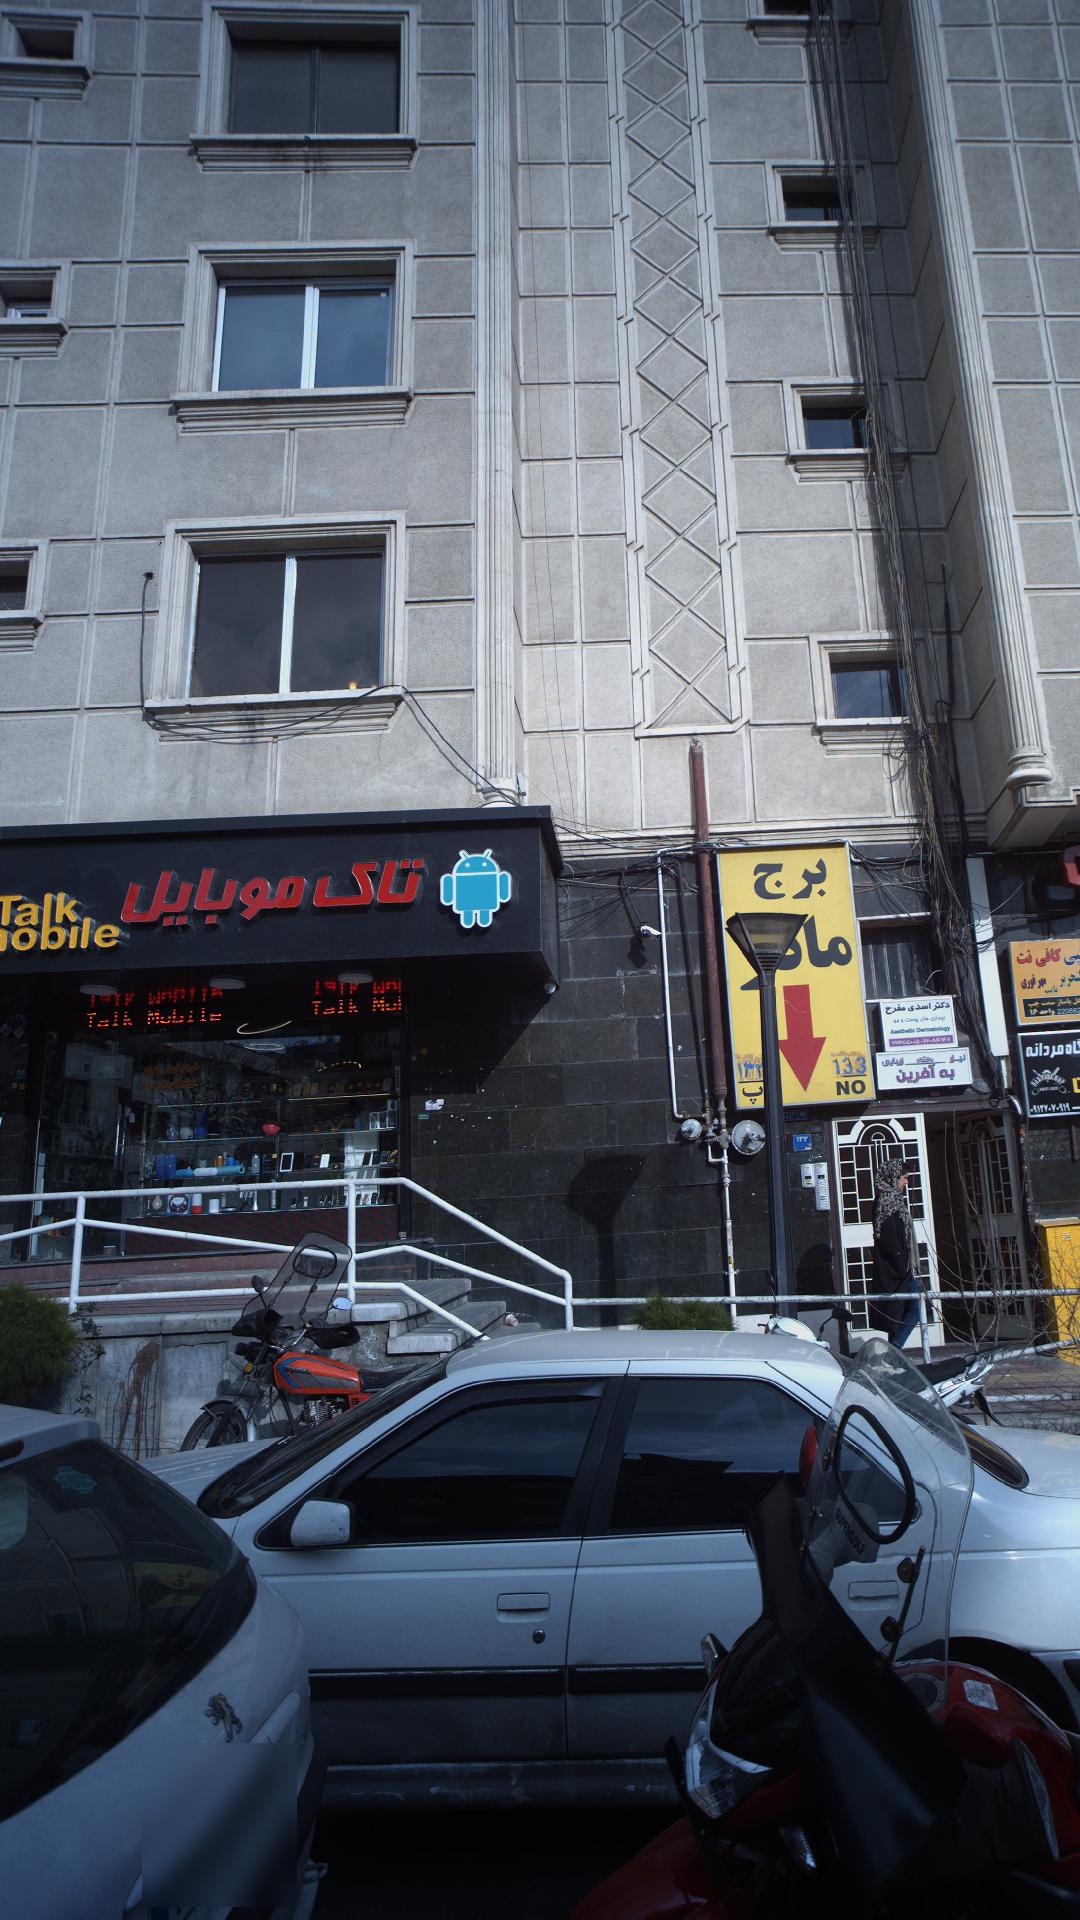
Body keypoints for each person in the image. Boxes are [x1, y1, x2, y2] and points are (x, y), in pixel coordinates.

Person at [872, 1158, 922, 1349]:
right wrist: (902, 1262)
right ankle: (892, 1351)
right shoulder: (888, 1199)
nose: (906, 1182)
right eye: (904, 1177)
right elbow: (888, 1237)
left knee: (903, 1310)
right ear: (893, 1177)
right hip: (897, 1269)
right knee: (913, 1310)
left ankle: (892, 1352)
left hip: (901, 1268)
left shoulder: (893, 1198)